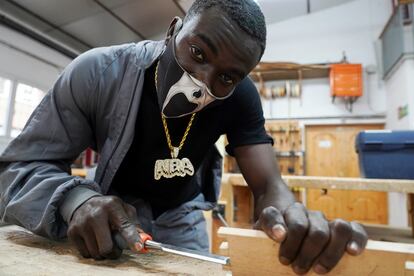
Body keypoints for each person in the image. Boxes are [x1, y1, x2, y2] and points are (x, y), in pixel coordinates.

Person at [0, 0, 367, 274]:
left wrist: (289, 221)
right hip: (111, 211)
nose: (202, 83)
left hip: (184, 214)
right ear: (173, 30)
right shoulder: (99, 73)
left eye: (226, 77)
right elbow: (19, 169)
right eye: (197, 53)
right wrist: (77, 201)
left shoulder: (239, 97)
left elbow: (268, 183)